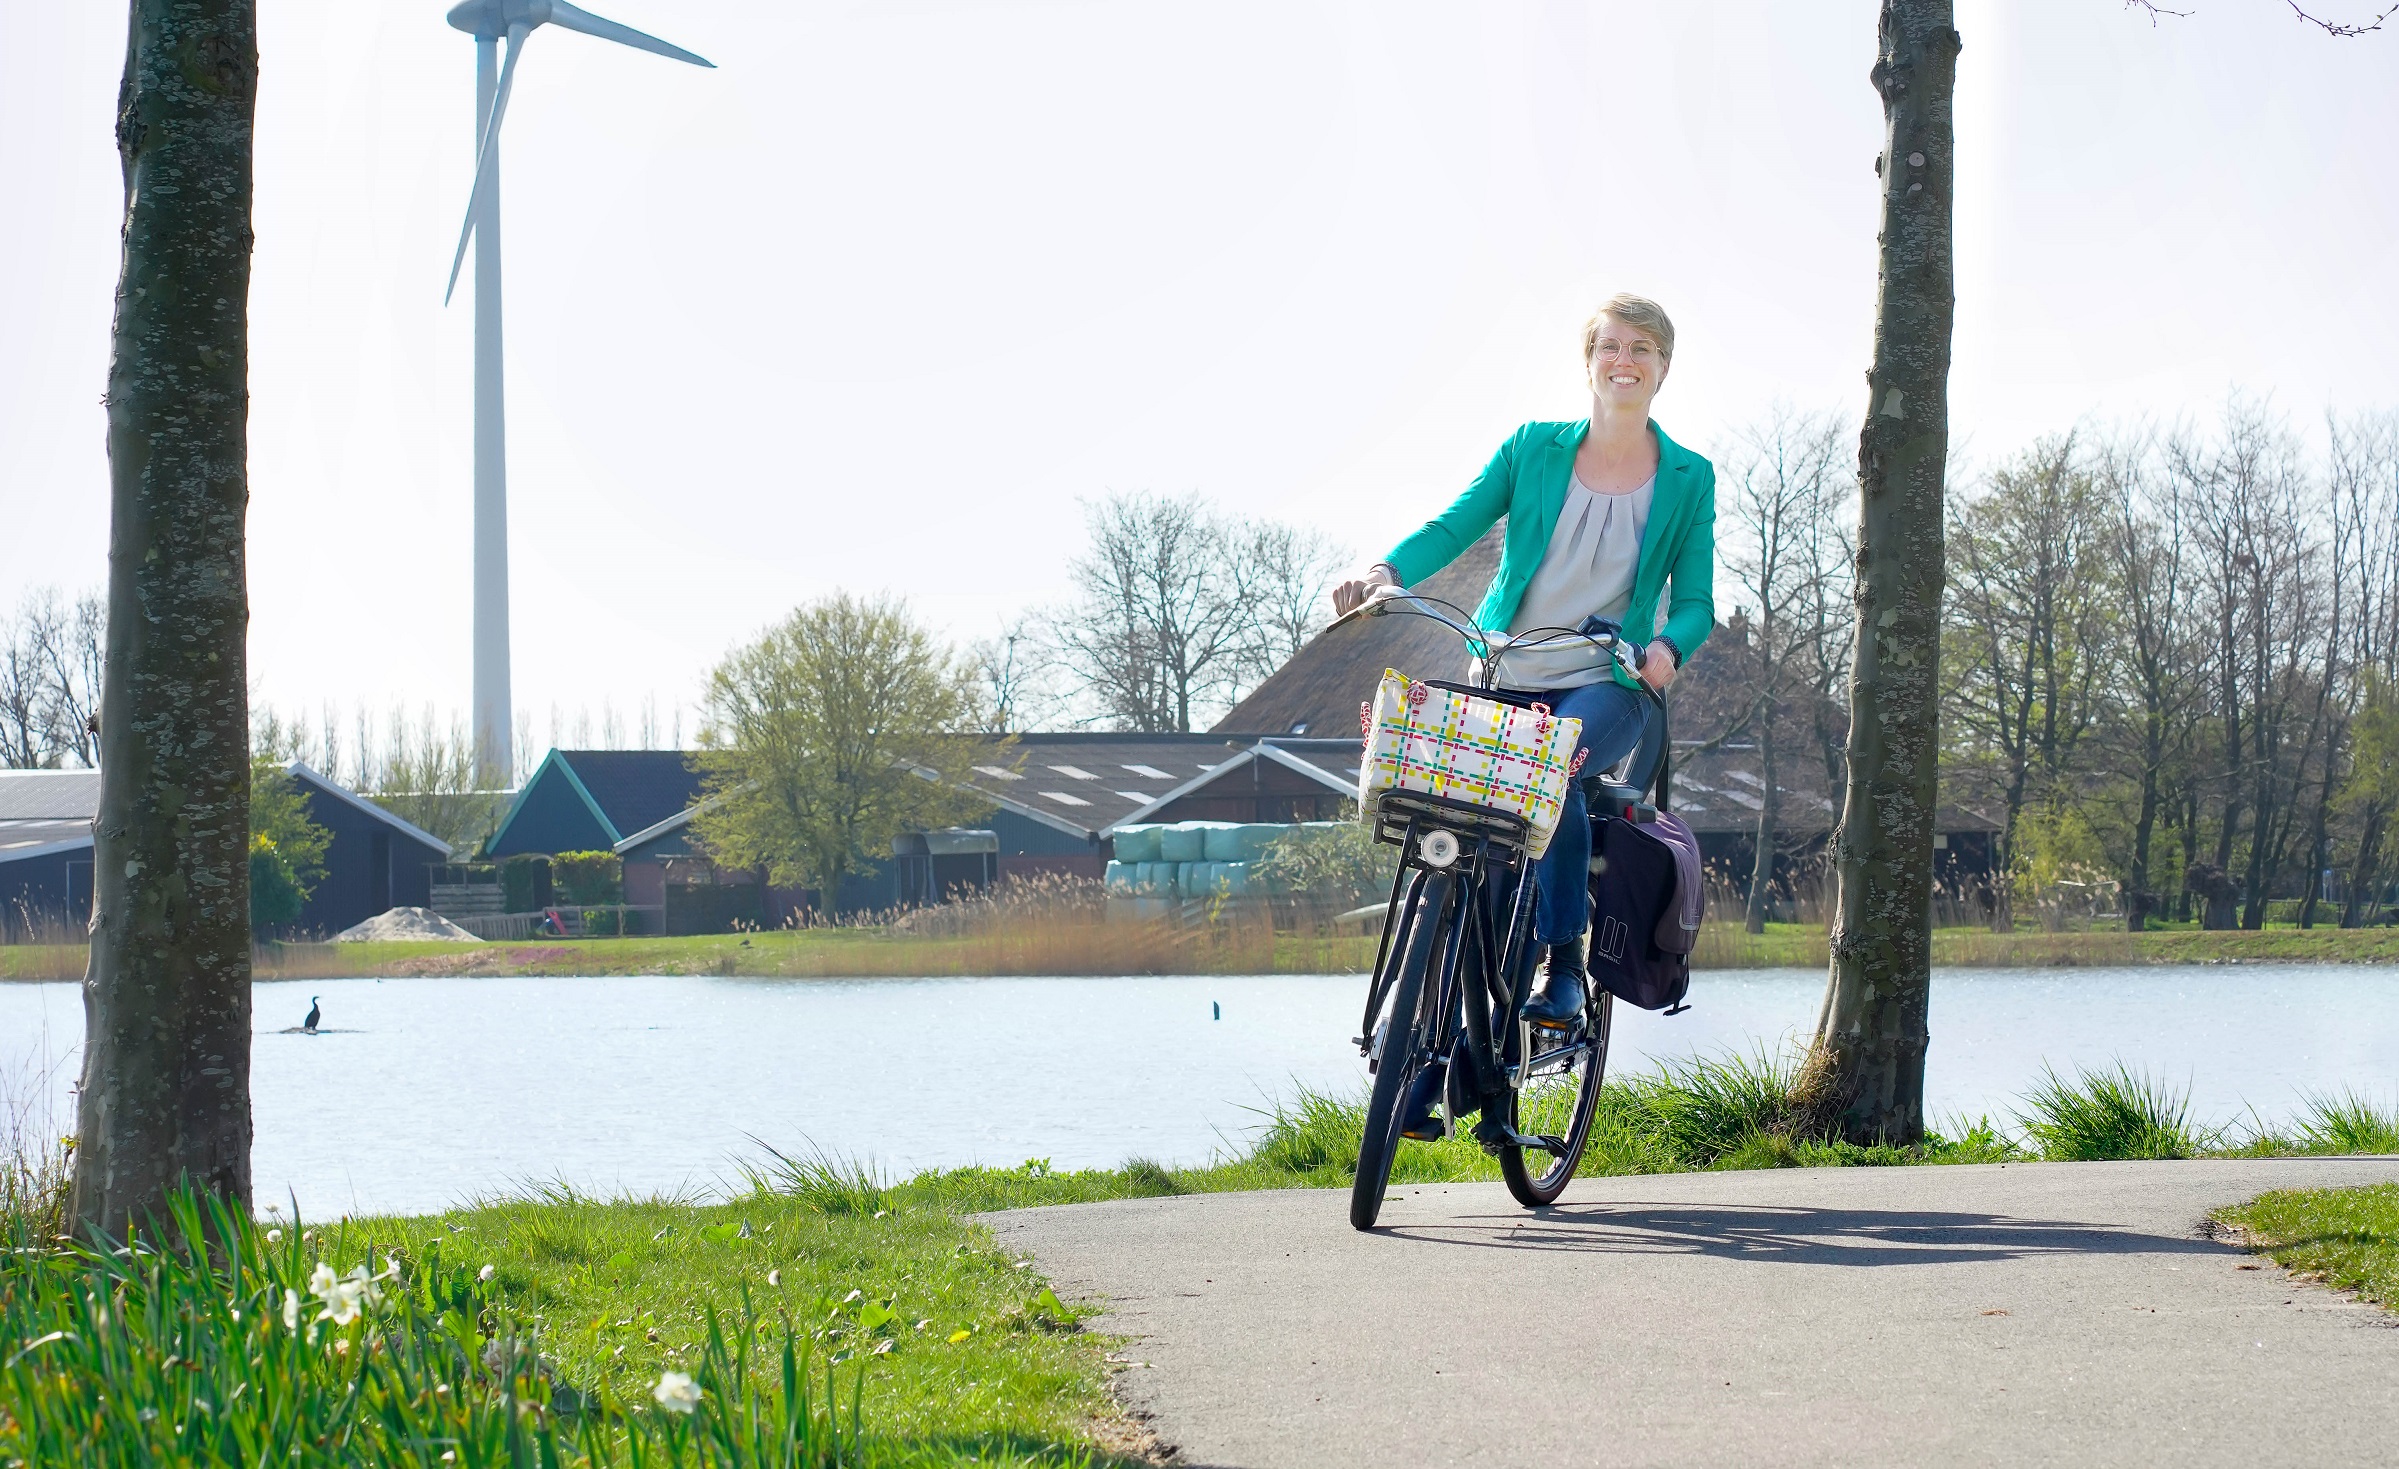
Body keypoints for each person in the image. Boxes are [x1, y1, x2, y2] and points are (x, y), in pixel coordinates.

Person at [1332, 293, 1716, 1137]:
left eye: (1641, 348)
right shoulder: (1532, 449)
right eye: (1610, 345)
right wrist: (1384, 571)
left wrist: (1667, 649)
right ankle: (1425, 1061)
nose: (1623, 360)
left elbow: (1696, 600)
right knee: (1460, 845)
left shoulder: (1689, 477)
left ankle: (1564, 964)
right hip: (1504, 666)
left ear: (1662, 368)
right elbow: (1455, 524)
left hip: (1605, 683)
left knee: (1555, 771)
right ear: (1589, 361)